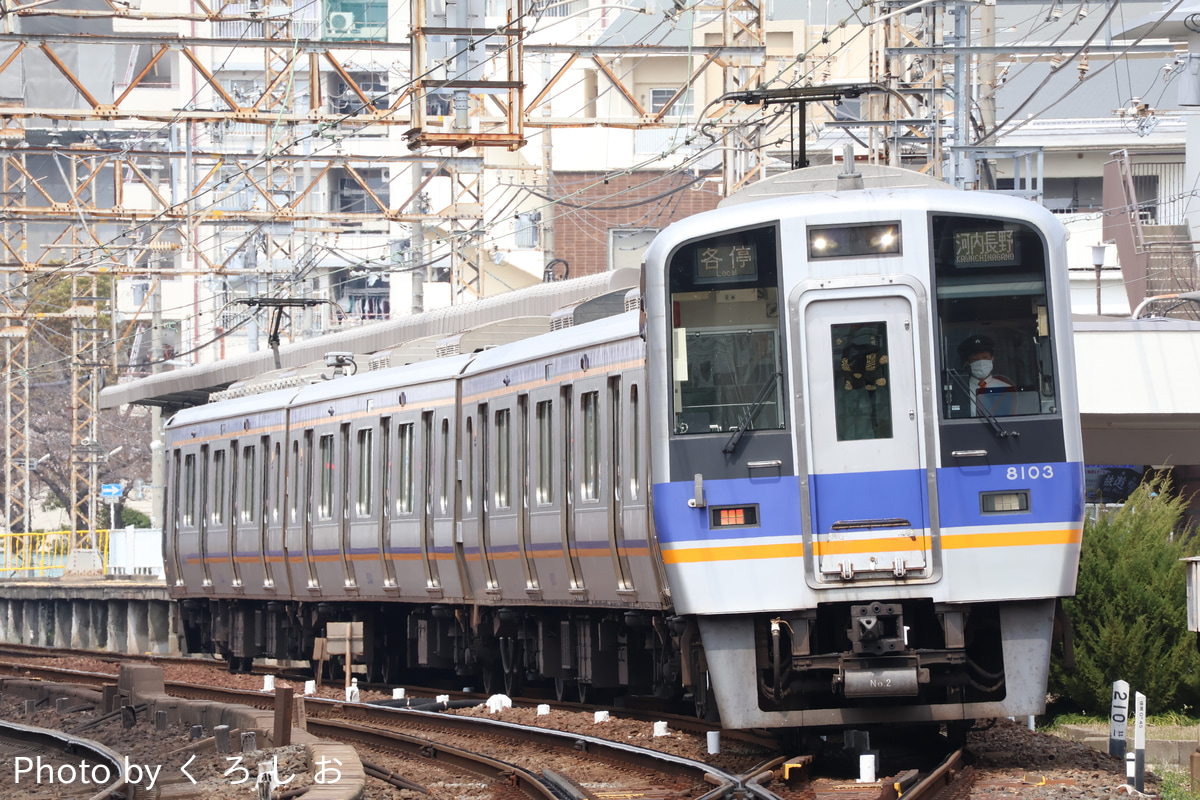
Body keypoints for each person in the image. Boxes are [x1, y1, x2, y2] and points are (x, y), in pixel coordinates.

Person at [957, 334, 1013, 416]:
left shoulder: (1007, 389)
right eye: (975, 359)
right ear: (967, 363)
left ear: (992, 359)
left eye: (985, 357)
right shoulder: (961, 390)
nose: (981, 362)